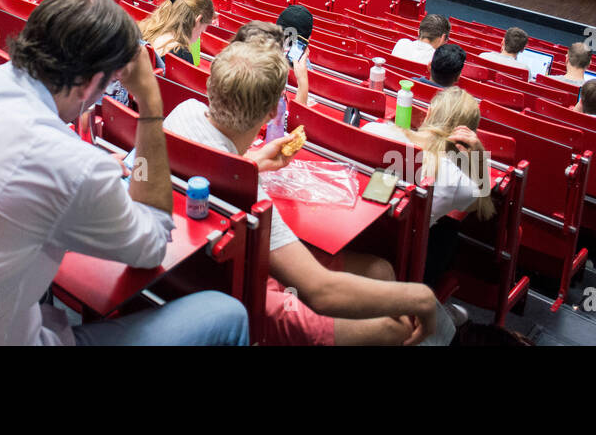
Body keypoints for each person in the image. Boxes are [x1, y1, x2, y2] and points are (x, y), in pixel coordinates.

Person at [0, 0, 249, 345]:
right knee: (226, 313)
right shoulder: (71, 166)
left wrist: (77, 162)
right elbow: (152, 245)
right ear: (90, 85)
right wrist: (151, 106)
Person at [164, 41, 446, 346]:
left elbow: (210, 161)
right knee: (398, 327)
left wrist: (252, 163)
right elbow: (321, 290)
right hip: (243, 297)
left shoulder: (183, 112)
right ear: (273, 110)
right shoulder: (248, 193)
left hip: (187, 273)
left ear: (210, 84)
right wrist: (421, 296)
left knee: (379, 269)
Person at [361, 86, 495, 292]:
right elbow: (484, 203)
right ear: (469, 135)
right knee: (449, 230)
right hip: (399, 257)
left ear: (429, 113)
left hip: (360, 238)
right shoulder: (458, 182)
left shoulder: (375, 130)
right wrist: (477, 154)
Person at [139, 0, 216, 67]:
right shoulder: (181, 54)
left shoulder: (142, 31)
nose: (198, 37)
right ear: (197, 21)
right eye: (201, 31)